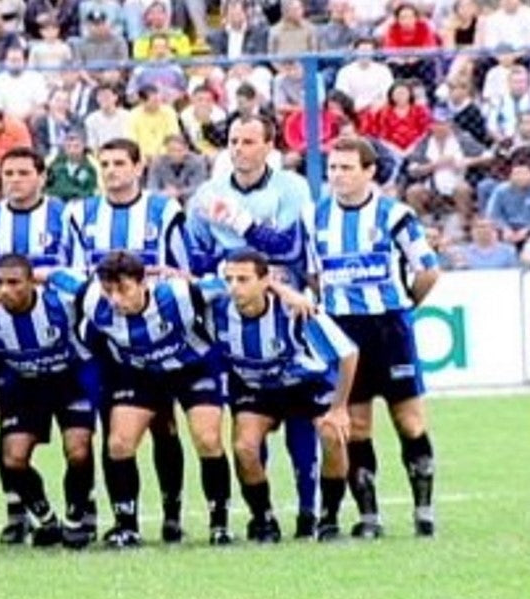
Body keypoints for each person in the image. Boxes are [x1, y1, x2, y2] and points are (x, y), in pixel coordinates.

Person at [186, 113, 322, 538]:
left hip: (287, 309)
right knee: (248, 425)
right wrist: (233, 271)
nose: (239, 149)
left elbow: (292, 247)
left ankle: (308, 513)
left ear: (269, 146)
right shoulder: (207, 194)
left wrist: (241, 227)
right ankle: (261, 517)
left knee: (302, 421)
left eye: (248, 141)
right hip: (235, 306)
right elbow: (197, 256)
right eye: (233, 141)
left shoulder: (292, 187)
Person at [42, 251, 232, 548]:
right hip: (140, 373)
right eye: (109, 290)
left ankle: (219, 525)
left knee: (207, 439)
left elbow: (227, 285)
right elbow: (48, 275)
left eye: (123, 289)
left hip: (191, 367)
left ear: (144, 282)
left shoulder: (179, 294)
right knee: (118, 443)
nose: (115, 299)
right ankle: (127, 527)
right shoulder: (92, 299)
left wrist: (286, 292)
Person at [309, 136, 440, 538]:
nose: (338, 175)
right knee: (358, 426)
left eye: (347, 167)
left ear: (369, 171)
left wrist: (402, 309)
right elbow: (315, 275)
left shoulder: (394, 214)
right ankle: (370, 517)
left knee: (409, 421)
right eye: (333, 167)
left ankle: (424, 512)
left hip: (389, 328)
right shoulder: (314, 216)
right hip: (344, 332)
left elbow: (428, 270)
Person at [68, 137, 191, 543]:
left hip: (160, 334)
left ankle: (173, 513)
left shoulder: (164, 211)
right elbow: (73, 275)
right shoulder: (81, 213)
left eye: (119, 162)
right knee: (116, 431)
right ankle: (126, 523)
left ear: (139, 167)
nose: (111, 170)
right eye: (104, 163)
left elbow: (181, 272)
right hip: (110, 342)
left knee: (165, 427)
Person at [211, 248, 358, 543]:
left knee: (332, 435)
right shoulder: (215, 305)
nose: (235, 287)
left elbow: (348, 353)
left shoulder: (295, 311)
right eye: (230, 279)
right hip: (256, 388)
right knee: (244, 447)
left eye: (243, 279)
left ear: (265, 280)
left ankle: (328, 518)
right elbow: (184, 282)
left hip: (305, 384)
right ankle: (263, 519)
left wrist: (339, 408)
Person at [0, 148, 84, 543]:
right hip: (10, 349)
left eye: (24, 172)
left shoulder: (64, 216)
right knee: (11, 440)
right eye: (8, 173)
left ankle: (81, 512)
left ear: (42, 176)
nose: (16, 180)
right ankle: (18, 511)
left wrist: (41, 281)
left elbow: (79, 271)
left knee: (78, 445)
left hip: (61, 343)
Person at [0, 255, 95, 548]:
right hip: (25, 385)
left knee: (78, 450)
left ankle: (77, 520)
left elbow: (88, 286)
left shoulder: (60, 302)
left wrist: (49, 274)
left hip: (70, 380)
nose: (5, 290)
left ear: (31, 281)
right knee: (13, 458)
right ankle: (46, 519)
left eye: (14, 282)